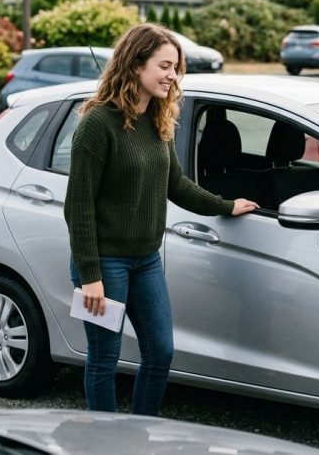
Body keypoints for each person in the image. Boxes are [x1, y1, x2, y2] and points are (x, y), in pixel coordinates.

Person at [64, 23, 258, 416]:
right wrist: (90, 276)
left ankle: (141, 431)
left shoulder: (157, 120)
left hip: (146, 260)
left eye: (176, 68)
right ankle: (104, 442)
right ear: (136, 65)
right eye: (165, 66)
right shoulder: (97, 126)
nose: (173, 75)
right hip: (104, 264)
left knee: (161, 352)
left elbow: (177, 185)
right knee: (105, 358)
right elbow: (78, 206)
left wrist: (225, 205)